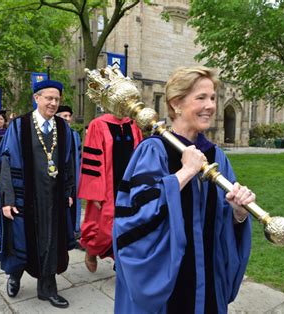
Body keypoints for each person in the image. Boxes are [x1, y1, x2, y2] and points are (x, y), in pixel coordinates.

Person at [113, 66, 253, 313]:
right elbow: (133, 219)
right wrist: (184, 173)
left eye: (212, 98)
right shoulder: (153, 151)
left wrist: (238, 213)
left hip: (207, 281)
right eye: (201, 98)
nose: (210, 105)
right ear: (176, 103)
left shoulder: (216, 155)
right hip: (169, 285)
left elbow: (221, 225)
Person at [0, 80, 75, 309]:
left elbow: (69, 163)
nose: (53, 103)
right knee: (20, 240)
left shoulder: (63, 129)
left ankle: (48, 289)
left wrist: (68, 191)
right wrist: (8, 199)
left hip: (52, 199)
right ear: (37, 98)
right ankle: (14, 276)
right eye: (49, 98)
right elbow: (5, 161)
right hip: (26, 197)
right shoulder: (19, 126)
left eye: (57, 99)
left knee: (51, 242)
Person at [78, 112, 143, 272]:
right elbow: (91, 159)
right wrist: (94, 192)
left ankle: (120, 263)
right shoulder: (98, 124)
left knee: (128, 226)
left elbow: (141, 154)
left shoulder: (134, 124)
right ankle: (92, 250)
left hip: (130, 185)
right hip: (106, 186)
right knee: (104, 229)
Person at [56, 105, 83, 245]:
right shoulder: (54, 134)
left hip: (74, 175)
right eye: (64, 116)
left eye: (68, 116)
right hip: (60, 176)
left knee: (74, 205)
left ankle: (73, 233)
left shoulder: (74, 135)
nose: (67, 118)